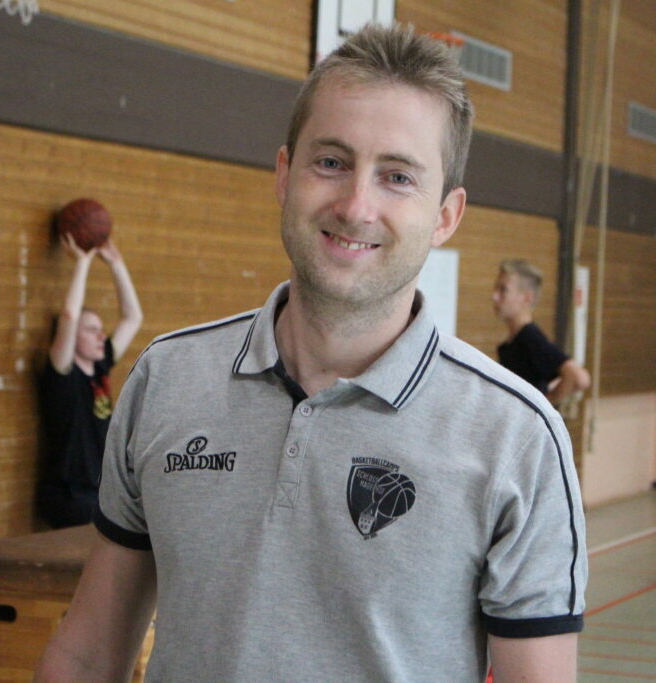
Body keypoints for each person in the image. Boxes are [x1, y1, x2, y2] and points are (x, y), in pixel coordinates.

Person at [36, 23, 586, 683]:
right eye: (331, 162)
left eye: (397, 177)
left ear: (446, 215)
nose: (356, 205)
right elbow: (88, 653)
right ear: (284, 174)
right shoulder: (168, 378)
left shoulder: (518, 438)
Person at [36, 233, 143, 528]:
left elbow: (132, 318)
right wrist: (82, 263)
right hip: (68, 494)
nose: (101, 336)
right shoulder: (63, 375)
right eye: (91, 330)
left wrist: (117, 264)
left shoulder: (100, 368)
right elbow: (69, 315)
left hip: (97, 492)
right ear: (73, 337)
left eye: (101, 329)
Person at [493, 259, 591, 404]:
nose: (495, 296)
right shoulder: (512, 343)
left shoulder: (531, 338)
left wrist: (544, 404)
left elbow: (579, 377)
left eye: (503, 290)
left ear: (527, 298)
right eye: (496, 289)